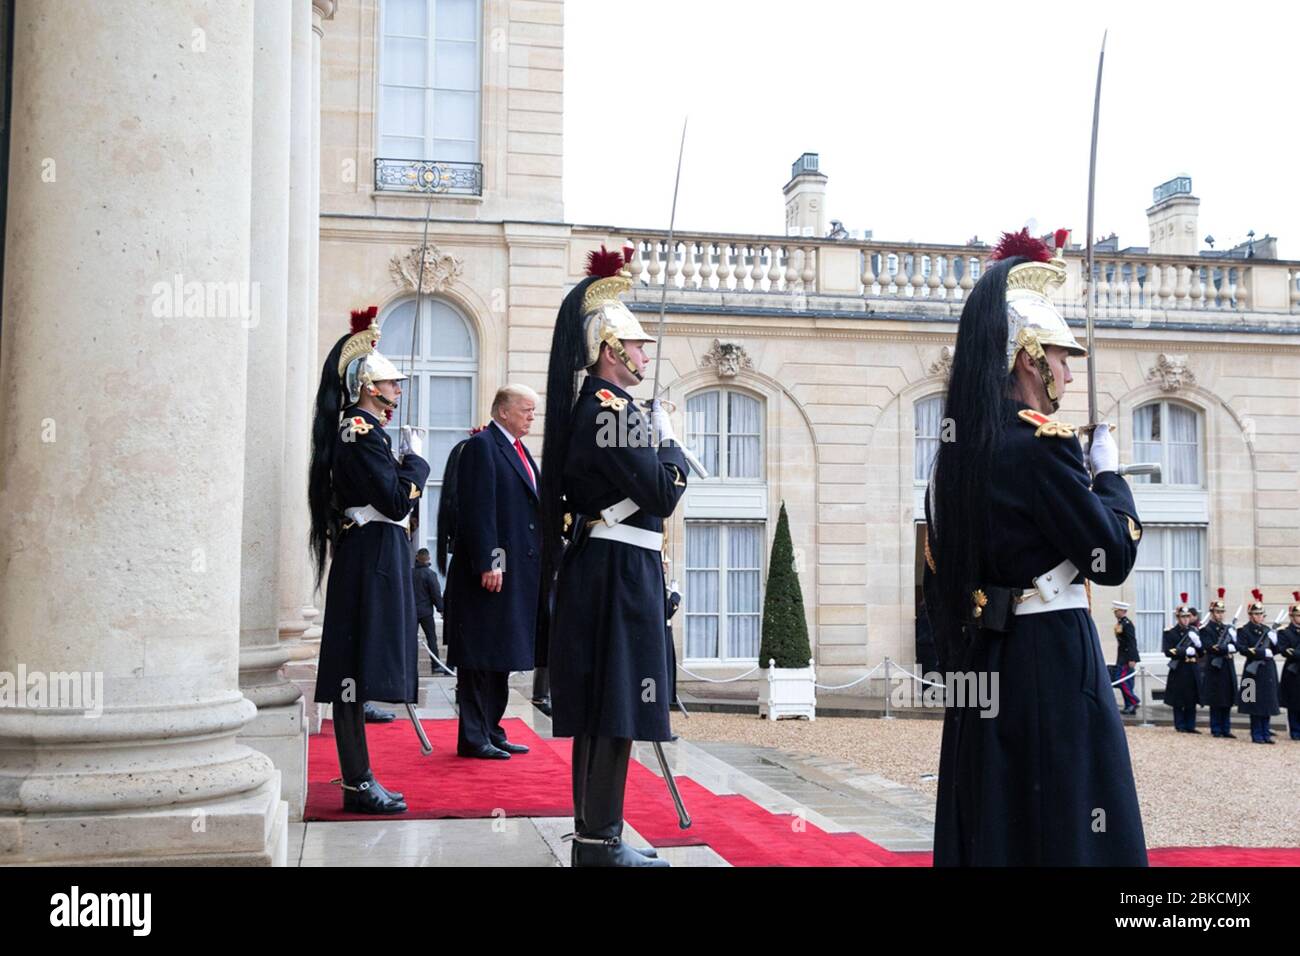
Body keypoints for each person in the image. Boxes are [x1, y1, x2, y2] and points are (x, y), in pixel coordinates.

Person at [924, 228, 1147, 866]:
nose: (1069, 373)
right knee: (1069, 818)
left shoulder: (957, 455)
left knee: (999, 817)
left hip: (988, 656)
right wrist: (1109, 477)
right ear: (1028, 357)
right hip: (1051, 655)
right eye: (1061, 356)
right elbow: (1111, 556)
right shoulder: (1040, 446)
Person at [540, 245, 687, 867]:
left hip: (614, 567)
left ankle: (596, 836)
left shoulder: (610, 411)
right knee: (617, 705)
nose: (645, 356)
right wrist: (672, 446)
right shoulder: (610, 410)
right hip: (618, 571)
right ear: (610, 350)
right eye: (638, 345)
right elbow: (660, 491)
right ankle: (599, 841)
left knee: (609, 706)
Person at [308, 305, 430, 814]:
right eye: (392, 385)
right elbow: (397, 500)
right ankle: (357, 782)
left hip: (374, 553)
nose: (398, 392)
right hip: (369, 557)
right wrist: (416, 465)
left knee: (358, 672)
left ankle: (361, 778)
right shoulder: (360, 432)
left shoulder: (366, 431)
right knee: (352, 673)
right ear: (368, 387)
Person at [443, 385, 542, 759]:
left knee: (500, 653)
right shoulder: (483, 446)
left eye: (533, 410)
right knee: (480, 655)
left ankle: (492, 728)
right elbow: (478, 509)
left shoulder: (519, 449)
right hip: (490, 570)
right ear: (503, 411)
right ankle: (473, 735)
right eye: (526, 410)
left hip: (517, 572)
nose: (532, 416)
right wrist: (490, 562)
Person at [1237, 589, 1280, 744]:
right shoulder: (1244, 630)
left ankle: (1265, 732)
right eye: (1256, 614)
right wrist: (1262, 653)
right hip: (1253, 671)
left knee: (1267, 702)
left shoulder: (1268, 630)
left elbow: (1277, 650)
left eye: (1261, 614)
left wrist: (1275, 642)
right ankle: (1256, 733)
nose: (1259, 616)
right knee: (1253, 702)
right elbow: (1242, 649)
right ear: (1250, 615)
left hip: (1267, 670)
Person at [1200, 588, 1239, 738]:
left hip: (1227, 666)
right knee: (1216, 698)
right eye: (1217, 612)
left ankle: (1226, 728)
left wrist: (1233, 642)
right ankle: (1216, 728)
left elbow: (1237, 646)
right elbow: (1210, 647)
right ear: (1212, 612)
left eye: (1222, 612)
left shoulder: (1227, 629)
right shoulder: (1206, 629)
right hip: (1215, 667)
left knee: (1228, 698)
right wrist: (1225, 648)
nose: (1220, 615)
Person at [1161, 595, 1202, 733]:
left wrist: (1197, 644)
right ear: (1178, 618)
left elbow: (1201, 652)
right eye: (1183, 617)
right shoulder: (1170, 632)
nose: (1185, 619)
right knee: (1179, 698)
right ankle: (1180, 724)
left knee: (1191, 697)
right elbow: (1168, 651)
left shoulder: (1194, 632)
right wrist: (1184, 651)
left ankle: (1191, 725)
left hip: (1192, 668)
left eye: (1187, 617)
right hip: (1179, 668)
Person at [412, 547, 445, 666]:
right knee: (431, 639)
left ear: (417, 558)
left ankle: (410, 665)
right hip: (426, 612)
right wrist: (441, 609)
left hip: (412, 612)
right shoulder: (430, 574)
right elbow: (436, 594)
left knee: (410, 640)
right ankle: (435, 665)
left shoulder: (410, 573)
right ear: (428, 559)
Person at [1278, 592, 1300, 740]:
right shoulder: (1285, 632)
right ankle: (1295, 731)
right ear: (1292, 617)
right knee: (1293, 703)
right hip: (1293, 672)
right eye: (1298, 615)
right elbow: (1285, 651)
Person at [1111, 601, 1139, 715]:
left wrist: (1132, 658)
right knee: (1127, 682)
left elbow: (1132, 641)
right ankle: (1129, 706)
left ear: (1122, 611)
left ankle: (1133, 701)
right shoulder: (1121, 623)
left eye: (1116, 610)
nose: (1115, 613)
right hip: (1122, 656)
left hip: (1127, 657)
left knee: (1121, 680)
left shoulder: (1127, 624)